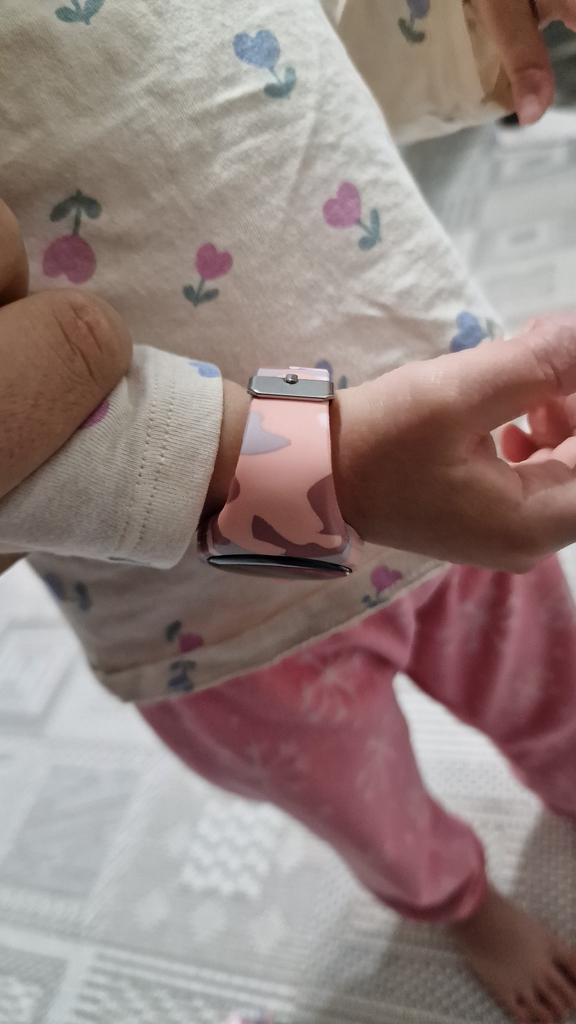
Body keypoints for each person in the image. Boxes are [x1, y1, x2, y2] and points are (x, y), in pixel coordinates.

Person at [2, 1, 576, 1019]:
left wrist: (459, 26)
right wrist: (317, 469)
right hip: (206, 602)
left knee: (552, 685)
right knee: (366, 805)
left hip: (443, 441)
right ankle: (460, 902)